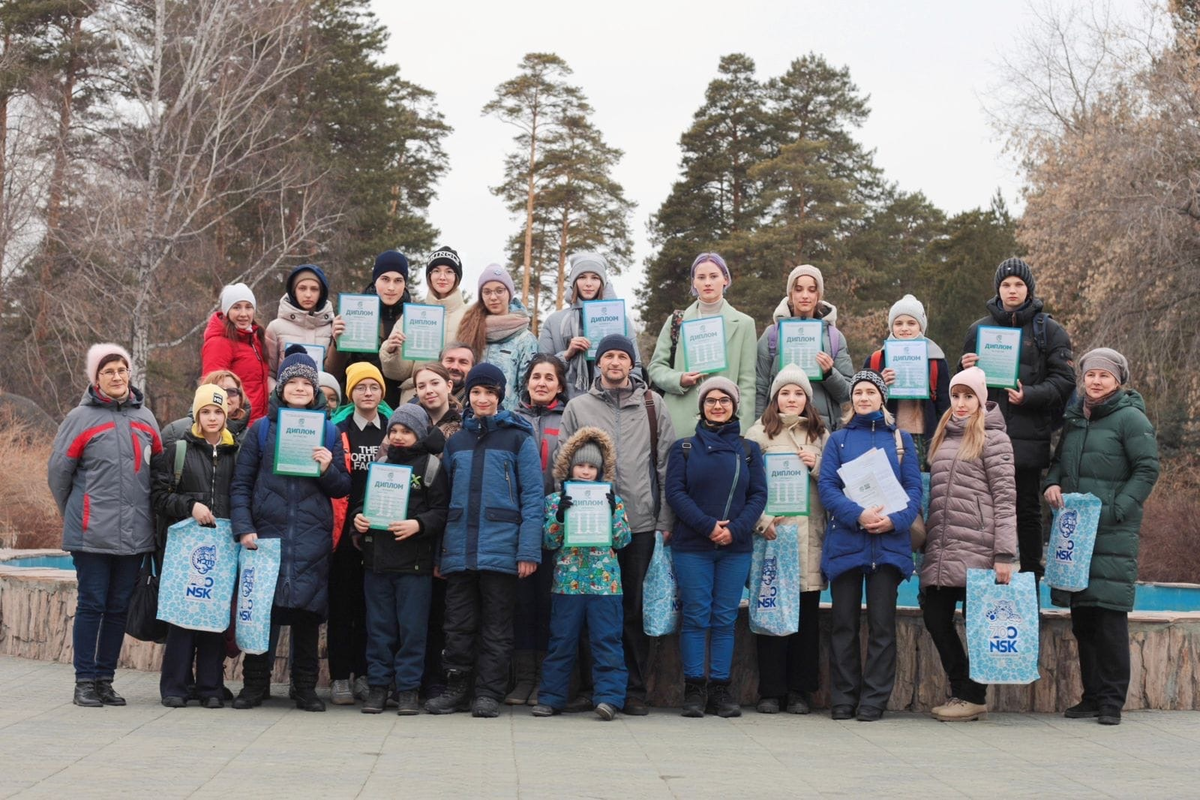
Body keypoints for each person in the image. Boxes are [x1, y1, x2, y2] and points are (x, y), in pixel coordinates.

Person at [559, 334, 675, 715]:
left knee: (631, 610)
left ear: (632, 363)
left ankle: (634, 690)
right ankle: (592, 688)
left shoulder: (652, 404)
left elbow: (664, 465)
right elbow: (562, 466)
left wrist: (663, 520)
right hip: (588, 527)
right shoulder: (578, 406)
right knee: (590, 608)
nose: (615, 362)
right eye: (608, 355)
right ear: (598, 362)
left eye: (622, 356)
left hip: (639, 522)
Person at [229, 349, 351, 711]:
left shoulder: (330, 431)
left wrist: (328, 467)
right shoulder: (261, 430)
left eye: (306, 383)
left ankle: (305, 688)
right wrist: (243, 527)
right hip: (266, 535)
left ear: (315, 390)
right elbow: (241, 484)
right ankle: (254, 686)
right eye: (292, 382)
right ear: (280, 388)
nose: (299, 388)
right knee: (262, 613)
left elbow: (343, 486)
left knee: (307, 616)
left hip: (311, 537)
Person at [1045, 348, 1159, 726]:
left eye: (1104, 376)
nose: (1095, 381)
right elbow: (1059, 462)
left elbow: (1147, 469)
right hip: (1077, 533)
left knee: (1109, 619)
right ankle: (1091, 696)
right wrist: (1052, 485)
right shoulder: (1077, 417)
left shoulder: (1130, 417)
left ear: (1118, 381)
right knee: (1084, 619)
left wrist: (1117, 509)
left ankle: (1111, 701)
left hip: (1111, 530)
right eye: (1090, 375)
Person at [424, 364, 543, 718]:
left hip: (502, 548)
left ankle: (488, 692)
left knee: (496, 624)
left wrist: (527, 550)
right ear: (468, 395)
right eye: (476, 392)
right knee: (458, 624)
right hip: (459, 549)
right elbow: (441, 502)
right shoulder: (457, 441)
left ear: (500, 396)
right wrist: (439, 554)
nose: (482, 398)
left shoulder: (518, 438)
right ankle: (458, 687)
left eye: (490, 392)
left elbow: (533, 497)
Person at [48, 343, 163, 707]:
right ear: (96, 378)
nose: (117, 376)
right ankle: (84, 680)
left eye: (122, 369)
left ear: (130, 374)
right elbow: (58, 475)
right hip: (91, 533)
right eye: (108, 371)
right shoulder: (79, 419)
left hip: (134, 533)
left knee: (118, 609)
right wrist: (77, 512)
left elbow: (157, 472)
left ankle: (105, 680)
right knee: (92, 604)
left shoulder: (146, 418)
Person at [960, 258, 1074, 583]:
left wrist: (1030, 395)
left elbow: (1065, 382)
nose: (1012, 290)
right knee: (982, 511)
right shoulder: (978, 330)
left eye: (1018, 284)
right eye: (1006, 284)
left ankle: (1030, 585)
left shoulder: (1049, 331)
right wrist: (964, 366)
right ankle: (984, 582)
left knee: (1026, 512)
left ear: (1028, 289)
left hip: (1027, 440)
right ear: (998, 289)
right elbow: (963, 392)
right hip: (983, 439)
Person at [818, 370, 923, 722]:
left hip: (888, 545)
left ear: (882, 397)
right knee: (843, 624)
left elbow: (914, 491)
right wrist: (859, 515)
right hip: (848, 541)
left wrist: (895, 521)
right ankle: (844, 697)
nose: (864, 398)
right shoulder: (838, 440)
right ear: (852, 400)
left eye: (870, 392)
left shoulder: (901, 439)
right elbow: (828, 489)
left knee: (882, 626)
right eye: (858, 392)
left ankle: (874, 700)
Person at [665, 377, 767, 718]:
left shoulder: (750, 451)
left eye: (725, 400)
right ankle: (694, 688)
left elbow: (758, 495)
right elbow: (676, 494)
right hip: (692, 546)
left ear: (735, 406)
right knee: (695, 616)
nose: (718, 405)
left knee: (724, 619)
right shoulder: (683, 448)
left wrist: (735, 530)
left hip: (735, 548)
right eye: (711, 400)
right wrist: (708, 526)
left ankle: (721, 689)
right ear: (702, 407)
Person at [921, 367, 1017, 722]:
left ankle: (972, 695)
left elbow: (1006, 500)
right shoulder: (943, 435)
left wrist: (1005, 555)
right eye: (956, 396)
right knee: (935, 617)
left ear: (981, 399)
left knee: (976, 623)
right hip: (944, 546)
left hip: (980, 547)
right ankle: (963, 689)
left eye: (968, 397)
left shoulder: (994, 439)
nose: (961, 404)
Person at [351, 405, 449, 715]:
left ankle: (408, 690)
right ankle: (378, 688)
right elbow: (361, 504)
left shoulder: (431, 467)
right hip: (377, 563)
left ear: (419, 434)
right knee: (378, 629)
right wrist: (359, 519)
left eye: (405, 431)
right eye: (393, 430)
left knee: (412, 630)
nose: (397, 436)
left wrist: (418, 525)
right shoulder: (379, 464)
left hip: (415, 565)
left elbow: (441, 512)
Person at [531, 426, 632, 720]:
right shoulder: (554, 500)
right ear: (569, 466)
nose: (586, 471)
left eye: (592, 467)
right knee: (561, 641)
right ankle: (551, 697)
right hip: (567, 584)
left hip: (605, 585)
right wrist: (560, 517)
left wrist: (613, 513)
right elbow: (548, 541)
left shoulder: (613, 499)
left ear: (600, 471)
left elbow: (623, 540)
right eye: (581, 465)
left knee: (607, 641)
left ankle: (610, 698)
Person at [745, 364, 829, 715]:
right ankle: (771, 690)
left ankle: (800, 691)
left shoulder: (821, 436)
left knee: (806, 620)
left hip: (809, 538)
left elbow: (836, 486)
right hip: (773, 536)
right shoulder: (758, 434)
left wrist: (817, 465)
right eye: (785, 393)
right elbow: (746, 486)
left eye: (798, 393)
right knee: (769, 615)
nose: (791, 399)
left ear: (807, 399)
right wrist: (761, 521)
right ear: (774, 397)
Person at [152, 384, 239, 709]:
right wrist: (190, 506)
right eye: (206, 411)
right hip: (184, 547)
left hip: (222, 546)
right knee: (183, 615)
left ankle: (210, 687)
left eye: (218, 411)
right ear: (197, 414)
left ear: (226, 414)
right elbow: (159, 496)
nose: (213, 417)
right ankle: (174, 686)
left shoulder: (236, 451)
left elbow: (242, 493)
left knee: (214, 616)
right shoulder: (178, 450)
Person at [506, 353, 569, 706]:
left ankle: (548, 678)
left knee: (550, 602)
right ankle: (523, 678)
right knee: (522, 603)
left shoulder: (569, 416)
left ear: (560, 384)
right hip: (519, 521)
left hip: (558, 521)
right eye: (536, 377)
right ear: (526, 381)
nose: (542, 383)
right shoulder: (513, 418)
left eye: (549, 377)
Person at [327, 360, 391, 705]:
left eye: (374, 387)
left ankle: (365, 673)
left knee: (372, 608)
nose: (368, 393)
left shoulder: (392, 429)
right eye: (361, 387)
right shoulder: (338, 430)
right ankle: (339, 676)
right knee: (342, 605)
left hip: (380, 530)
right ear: (351, 393)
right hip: (344, 530)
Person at [648, 253, 757, 436]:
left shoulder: (745, 324)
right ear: (693, 283)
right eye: (701, 277)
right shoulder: (676, 321)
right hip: (679, 425)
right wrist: (679, 379)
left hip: (725, 426)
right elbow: (656, 367)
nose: (707, 282)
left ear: (725, 279)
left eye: (713, 276)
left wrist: (742, 429)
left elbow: (747, 382)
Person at [755, 264, 854, 431]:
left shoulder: (834, 337)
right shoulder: (771, 335)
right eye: (799, 289)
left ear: (819, 295)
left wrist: (829, 373)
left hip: (821, 430)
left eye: (812, 290)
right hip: (777, 430)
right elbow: (760, 388)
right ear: (790, 294)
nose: (805, 296)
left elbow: (846, 394)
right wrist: (757, 429)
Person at [538, 252, 641, 398]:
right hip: (564, 405)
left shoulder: (621, 321)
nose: (588, 283)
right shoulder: (555, 321)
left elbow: (635, 368)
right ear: (573, 282)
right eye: (582, 277)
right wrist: (567, 354)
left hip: (611, 404)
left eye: (595, 277)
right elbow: (539, 370)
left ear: (603, 283)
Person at [863, 294, 951, 466]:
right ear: (891, 327)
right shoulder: (876, 360)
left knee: (922, 487)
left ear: (921, 327)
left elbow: (945, 406)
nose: (904, 328)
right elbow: (861, 402)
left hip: (926, 438)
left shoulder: (936, 360)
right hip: (886, 435)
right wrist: (879, 386)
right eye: (898, 323)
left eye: (911, 323)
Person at [327, 250, 413, 408]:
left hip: (398, 407)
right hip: (358, 407)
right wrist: (337, 342)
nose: (391, 287)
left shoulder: (412, 318)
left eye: (398, 280)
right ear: (375, 281)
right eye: (385, 279)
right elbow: (333, 374)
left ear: (405, 283)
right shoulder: (353, 313)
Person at [380, 247, 468, 395]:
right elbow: (399, 373)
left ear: (457, 277)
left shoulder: (470, 316)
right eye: (436, 271)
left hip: (457, 398)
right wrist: (391, 351)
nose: (442, 277)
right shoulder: (413, 314)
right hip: (416, 398)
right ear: (429, 276)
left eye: (449, 271)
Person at [455, 264, 538, 412]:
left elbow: (526, 389)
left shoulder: (525, 339)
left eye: (499, 291)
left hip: (508, 420)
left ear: (509, 293)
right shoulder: (469, 329)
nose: (493, 297)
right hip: (471, 417)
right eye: (487, 292)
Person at [201, 283, 270, 422]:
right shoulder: (219, 342)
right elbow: (212, 388)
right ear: (227, 311)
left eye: (248, 307)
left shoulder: (254, 339)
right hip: (235, 424)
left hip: (257, 422)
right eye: (237, 307)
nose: (243, 314)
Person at [264, 264, 335, 391]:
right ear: (293, 291)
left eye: (314, 289)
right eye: (302, 288)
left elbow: (334, 373)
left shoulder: (332, 327)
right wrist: (278, 397)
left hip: (322, 404)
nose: (308, 294)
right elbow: (269, 373)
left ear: (321, 293)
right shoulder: (275, 327)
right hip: (286, 406)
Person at [160, 370, 251, 452]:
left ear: (240, 399)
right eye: (218, 391)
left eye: (231, 391)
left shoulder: (251, 436)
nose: (225, 396)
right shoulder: (175, 432)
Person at [413, 363, 463, 441]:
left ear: (449, 386)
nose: (428, 390)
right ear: (417, 392)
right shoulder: (408, 423)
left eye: (435, 383)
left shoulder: (464, 424)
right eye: (421, 386)